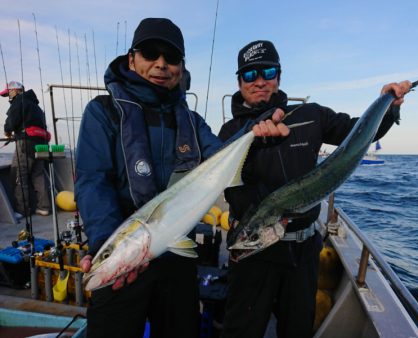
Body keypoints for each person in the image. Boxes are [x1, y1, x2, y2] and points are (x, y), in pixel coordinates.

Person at [75, 19, 288, 338]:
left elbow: (223, 156)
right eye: (150, 53)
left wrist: (257, 133)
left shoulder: (191, 121)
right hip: (126, 251)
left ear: (181, 67)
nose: (161, 64)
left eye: (171, 57)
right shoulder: (103, 111)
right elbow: (93, 181)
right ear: (131, 59)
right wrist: (106, 245)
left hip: (177, 258)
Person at [218, 40, 412, 338]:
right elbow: (228, 185)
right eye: (249, 75)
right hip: (252, 254)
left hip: (303, 252)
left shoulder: (311, 115)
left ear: (279, 76)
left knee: (297, 329)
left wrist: (386, 106)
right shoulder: (230, 133)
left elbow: (358, 132)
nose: (259, 81)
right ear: (239, 81)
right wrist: (254, 145)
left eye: (267, 71)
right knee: (241, 331)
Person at [0, 81, 51, 219]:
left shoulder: (19, 101)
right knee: (38, 175)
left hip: (25, 143)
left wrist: (7, 131)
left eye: (9, 92)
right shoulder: (36, 106)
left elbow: (11, 121)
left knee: (19, 175)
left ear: (16, 90)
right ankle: (44, 207)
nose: (8, 95)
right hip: (41, 143)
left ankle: (22, 210)